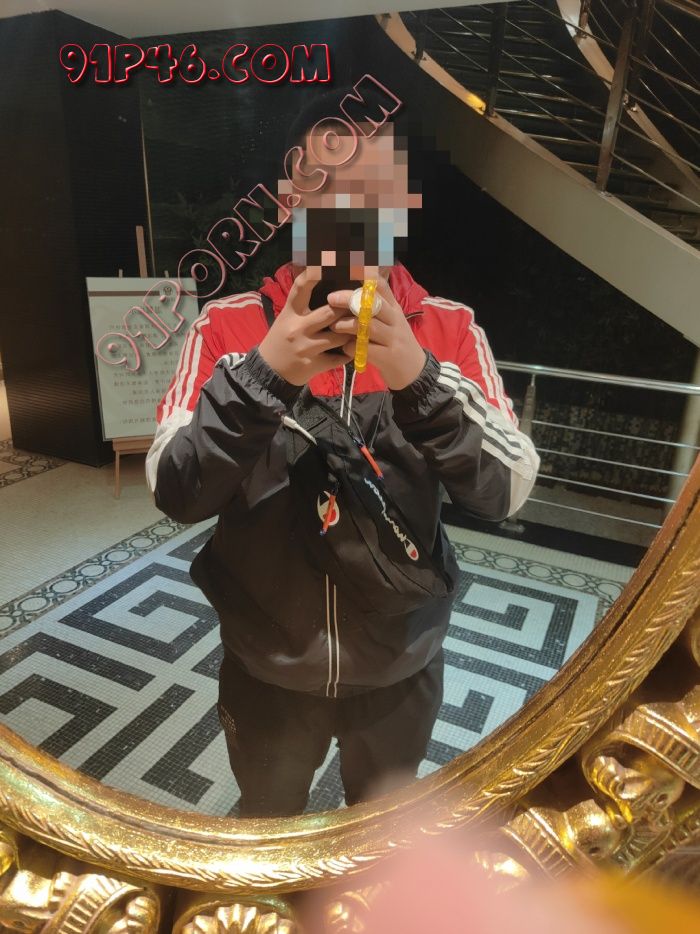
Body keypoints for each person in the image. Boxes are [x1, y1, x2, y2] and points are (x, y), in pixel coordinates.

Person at [145, 86, 540, 817]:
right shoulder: (227, 329)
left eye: (374, 184)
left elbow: (504, 491)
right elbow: (177, 491)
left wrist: (418, 378)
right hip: (265, 664)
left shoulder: (448, 330)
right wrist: (263, 375)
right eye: (328, 182)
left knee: (381, 834)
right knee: (268, 821)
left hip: (401, 665)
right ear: (290, 199)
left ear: (401, 202)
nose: (351, 203)